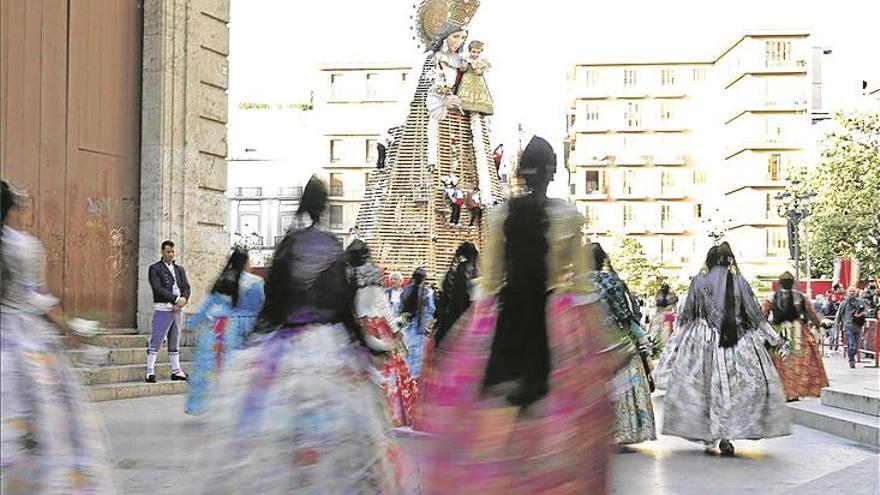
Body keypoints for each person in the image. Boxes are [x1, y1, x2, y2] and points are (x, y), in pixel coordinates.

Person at [417, 136, 615, 493]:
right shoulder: (568, 216)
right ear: (553, 172)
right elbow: (583, 288)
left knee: (486, 418)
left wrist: (470, 337)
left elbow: (489, 282)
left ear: (521, 172)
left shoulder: (499, 215)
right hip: (560, 324)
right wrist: (601, 344)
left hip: (504, 320)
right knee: (570, 425)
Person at [193, 176, 400, 493]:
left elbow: (272, 304)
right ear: (325, 208)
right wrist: (365, 345)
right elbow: (344, 310)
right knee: (344, 444)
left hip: (286, 351)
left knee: (281, 444)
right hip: (330, 354)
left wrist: (254, 343)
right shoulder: (332, 247)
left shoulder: (288, 245)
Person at [1, 180, 117, 493]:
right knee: (45, 425)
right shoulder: (23, 247)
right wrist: (72, 329)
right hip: (24, 343)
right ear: (12, 208)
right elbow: (36, 299)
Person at [654, 242, 790, 456]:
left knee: (704, 389)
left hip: (702, 341)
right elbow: (756, 316)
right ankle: (725, 436)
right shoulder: (740, 282)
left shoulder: (699, 282)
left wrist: (673, 348)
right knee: (733, 390)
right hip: (736, 341)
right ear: (730, 260)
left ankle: (709, 434)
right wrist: (775, 339)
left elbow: (686, 317)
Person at [183, 247, 265, 415]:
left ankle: (199, 405)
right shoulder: (254, 282)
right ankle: (239, 407)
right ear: (245, 263)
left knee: (208, 368)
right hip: (241, 329)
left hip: (217, 329)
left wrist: (191, 324)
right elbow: (259, 308)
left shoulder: (221, 280)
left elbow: (206, 305)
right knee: (241, 368)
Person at [589, 243, 657, 446]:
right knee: (621, 386)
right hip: (615, 340)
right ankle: (622, 429)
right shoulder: (611, 280)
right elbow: (624, 315)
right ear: (603, 261)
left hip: (588, 343)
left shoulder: (577, 282)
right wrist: (642, 339)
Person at [346, 240, 418, 428]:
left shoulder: (346, 275)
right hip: (376, 326)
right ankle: (388, 413)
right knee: (386, 369)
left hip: (354, 327)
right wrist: (395, 329)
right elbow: (382, 306)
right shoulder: (372, 274)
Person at [762, 272, 828, 400]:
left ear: (780, 283)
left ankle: (783, 392)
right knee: (798, 364)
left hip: (779, 333)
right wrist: (819, 325)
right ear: (793, 283)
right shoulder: (802, 297)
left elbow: (762, 315)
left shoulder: (771, 297)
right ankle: (795, 392)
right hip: (798, 333)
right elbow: (812, 315)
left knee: (780, 363)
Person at [146, 239, 191, 382]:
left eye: (172, 251)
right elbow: (157, 289)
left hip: (178, 309)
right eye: (168, 251)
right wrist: (175, 300)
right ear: (162, 252)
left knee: (174, 340)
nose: (171, 254)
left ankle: (176, 371)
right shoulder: (155, 268)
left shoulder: (179, 269)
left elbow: (186, 287)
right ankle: (150, 371)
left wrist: (183, 299)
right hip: (163, 308)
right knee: (156, 340)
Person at [433, 242, 479, 346]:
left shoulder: (452, 271)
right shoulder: (477, 272)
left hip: (451, 321)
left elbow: (443, 298)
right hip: (469, 324)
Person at [400, 267, 435, 380]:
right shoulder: (428, 292)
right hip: (420, 325)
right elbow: (431, 309)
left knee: (407, 351)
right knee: (418, 353)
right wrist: (427, 324)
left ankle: (406, 374)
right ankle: (414, 377)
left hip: (407, 324)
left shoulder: (406, 289)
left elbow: (401, 306)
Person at [835, 286, 868, 368]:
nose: (852, 293)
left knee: (857, 345)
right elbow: (839, 314)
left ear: (856, 292)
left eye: (853, 291)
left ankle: (853, 355)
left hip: (858, 326)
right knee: (851, 344)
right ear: (847, 292)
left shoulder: (860, 302)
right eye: (850, 291)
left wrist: (860, 314)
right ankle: (851, 360)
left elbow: (866, 311)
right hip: (848, 326)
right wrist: (837, 324)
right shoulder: (844, 303)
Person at [457, 40, 494, 115]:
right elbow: (461, 70)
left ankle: (477, 113)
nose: (475, 54)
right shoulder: (466, 59)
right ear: (469, 51)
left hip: (478, 81)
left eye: (478, 52)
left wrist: (480, 71)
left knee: (479, 96)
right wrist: (464, 67)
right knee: (466, 96)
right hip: (467, 79)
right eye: (473, 52)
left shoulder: (481, 61)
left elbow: (483, 71)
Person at [650, 283, 679, 349]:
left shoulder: (658, 295)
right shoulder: (671, 295)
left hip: (658, 315)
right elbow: (675, 304)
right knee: (668, 335)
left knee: (656, 332)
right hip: (669, 316)